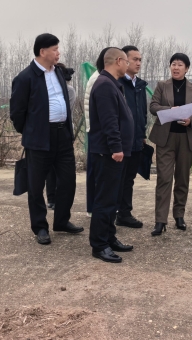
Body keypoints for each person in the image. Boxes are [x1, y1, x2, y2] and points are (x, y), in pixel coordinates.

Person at [10, 33, 83, 245]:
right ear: (42, 52)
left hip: (63, 135)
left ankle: (62, 221)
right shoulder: (25, 78)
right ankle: (40, 227)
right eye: (54, 49)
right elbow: (17, 113)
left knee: (68, 180)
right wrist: (31, 131)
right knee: (36, 185)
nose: (58, 53)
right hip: (39, 138)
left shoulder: (58, 73)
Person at [88, 48, 135, 263]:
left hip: (115, 152)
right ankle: (99, 245)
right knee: (105, 199)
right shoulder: (105, 85)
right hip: (108, 153)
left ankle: (109, 237)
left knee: (112, 199)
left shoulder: (112, 84)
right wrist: (116, 148)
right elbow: (109, 121)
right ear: (118, 61)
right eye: (127, 61)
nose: (128, 65)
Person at [148, 53, 192, 235]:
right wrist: (169, 110)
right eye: (173, 64)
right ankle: (160, 220)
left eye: (180, 64)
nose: (176, 67)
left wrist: (191, 120)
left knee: (182, 178)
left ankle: (179, 215)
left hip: (186, 138)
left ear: (186, 68)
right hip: (165, 138)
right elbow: (153, 106)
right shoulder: (162, 85)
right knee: (164, 178)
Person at [116, 45, 148, 229]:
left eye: (140, 60)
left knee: (129, 178)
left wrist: (142, 134)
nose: (138, 63)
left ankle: (124, 213)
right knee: (117, 178)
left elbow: (142, 112)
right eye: (135, 59)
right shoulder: (117, 83)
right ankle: (112, 212)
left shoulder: (140, 85)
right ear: (124, 60)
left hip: (136, 140)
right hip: (121, 141)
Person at [82, 48, 111, 217]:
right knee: (96, 171)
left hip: (98, 131)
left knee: (100, 172)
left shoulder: (103, 78)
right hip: (97, 132)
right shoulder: (99, 79)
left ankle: (97, 207)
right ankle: (93, 208)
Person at [46, 62, 76, 210]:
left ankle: (59, 201)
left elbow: (68, 111)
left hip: (64, 129)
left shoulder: (69, 90)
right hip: (49, 131)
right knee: (50, 167)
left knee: (63, 170)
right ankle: (52, 198)